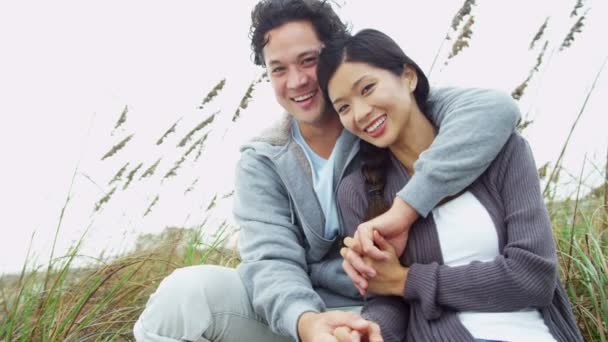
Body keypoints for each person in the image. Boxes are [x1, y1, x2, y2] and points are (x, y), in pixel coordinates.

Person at [133, 1, 523, 341]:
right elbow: (270, 261)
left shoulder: (383, 113)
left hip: (395, 310)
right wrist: (306, 323)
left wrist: (405, 209)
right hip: (301, 317)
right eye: (278, 69)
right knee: (182, 297)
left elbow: (494, 109)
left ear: (334, 54)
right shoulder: (262, 160)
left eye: (308, 60)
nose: (297, 81)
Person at [317, 28, 583, 342]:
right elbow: (385, 297)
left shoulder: (504, 151)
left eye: (368, 88)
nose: (360, 113)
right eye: (344, 107)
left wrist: (407, 281)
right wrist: (374, 330)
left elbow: (533, 277)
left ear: (408, 76)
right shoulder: (359, 190)